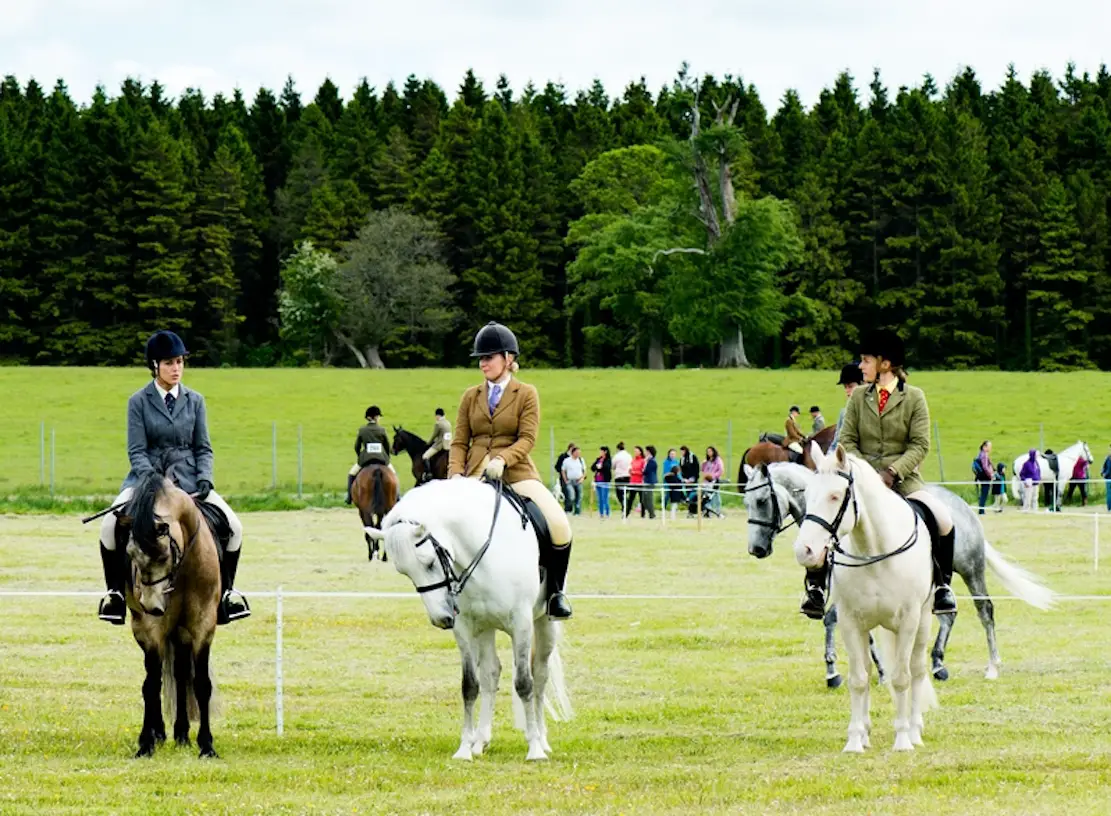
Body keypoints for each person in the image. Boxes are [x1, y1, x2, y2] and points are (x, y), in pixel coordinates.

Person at [801, 329, 957, 620]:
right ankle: (817, 588)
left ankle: (942, 587)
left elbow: (920, 445)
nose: (861, 367)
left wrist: (893, 472)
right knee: (825, 518)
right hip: (860, 483)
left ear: (885, 364)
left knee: (943, 519)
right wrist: (869, 475)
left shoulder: (914, 398)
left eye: (865, 361)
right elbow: (846, 442)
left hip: (905, 482)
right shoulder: (859, 397)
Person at [98, 330, 249, 626]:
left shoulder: (196, 401)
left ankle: (227, 593)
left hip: (190, 479)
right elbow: (137, 450)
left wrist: (205, 477)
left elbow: (203, 447)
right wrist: (151, 481)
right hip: (146, 479)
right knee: (107, 527)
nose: (176, 368)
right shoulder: (138, 402)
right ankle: (115, 594)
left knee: (235, 527)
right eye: (169, 363)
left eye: (179, 362)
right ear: (155, 366)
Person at [448, 321, 572, 620]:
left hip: (516, 472)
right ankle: (449, 591)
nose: (482, 363)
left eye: (488, 357)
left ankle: (556, 593)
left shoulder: (526, 393)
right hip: (473, 474)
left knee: (559, 525)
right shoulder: (470, 396)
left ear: (508, 358)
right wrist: (454, 474)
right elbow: (460, 440)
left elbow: (528, 438)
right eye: (480, 358)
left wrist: (503, 459)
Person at [347, 406, 393, 504]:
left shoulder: (362, 430)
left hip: (366, 458)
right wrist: (387, 457)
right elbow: (387, 446)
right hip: (381, 458)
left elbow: (357, 446)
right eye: (378, 416)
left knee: (351, 474)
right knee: (393, 474)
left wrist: (360, 456)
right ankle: (396, 496)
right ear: (375, 417)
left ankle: (349, 497)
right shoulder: (382, 430)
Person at [830, 363, 865, 451]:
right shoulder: (844, 413)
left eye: (850, 386)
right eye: (845, 387)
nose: (847, 391)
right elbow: (836, 444)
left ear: (863, 384)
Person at [561, 446, 586, 516]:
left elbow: (584, 471)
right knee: (571, 496)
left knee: (579, 496)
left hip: (579, 480)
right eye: (577, 452)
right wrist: (565, 479)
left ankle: (577, 511)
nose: (578, 454)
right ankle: (568, 509)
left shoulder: (581, 460)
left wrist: (582, 478)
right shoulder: (567, 461)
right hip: (570, 481)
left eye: (579, 453)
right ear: (573, 453)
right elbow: (563, 470)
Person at [701, 446, 724, 515]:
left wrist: (713, 476)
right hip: (706, 481)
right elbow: (703, 470)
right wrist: (703, 464)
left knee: (716, 495)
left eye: (710, 451)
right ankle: (708, 511)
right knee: (707, 496)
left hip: (714, 481)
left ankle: (718, 510)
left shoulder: (718, 460)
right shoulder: (707, 460)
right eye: (708, 452)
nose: (709, 453)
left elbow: (721, 470)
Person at [591, 446, 613, 519]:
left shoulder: (608, 460)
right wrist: (597, 467)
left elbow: (607, 468)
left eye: (601, 451)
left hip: (605, 481)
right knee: (599, 498)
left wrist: (600, 468)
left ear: (605, 452)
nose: (600, 453)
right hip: (598, 480)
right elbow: (593, 467)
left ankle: (607, 512)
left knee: (605, 498)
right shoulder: (598, 459)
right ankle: (601, 513)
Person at [974, 441, 995, 515]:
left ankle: (981, 509)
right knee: (984, 493)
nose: (990, 448)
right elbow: (985, 467)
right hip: (985, 477)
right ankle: (981, 510)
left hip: (982, 476)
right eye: (989, 446)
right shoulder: (984, 455)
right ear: (984, 447)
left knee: (984, 492)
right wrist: (990, 475)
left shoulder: (980, 454)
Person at [613, 442, 633, 517]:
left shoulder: (617, 456)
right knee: (625, 492)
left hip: (619, 476)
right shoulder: (629, 455)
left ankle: (624, 505)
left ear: (618, 448)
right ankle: (625, 506)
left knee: (619, 494)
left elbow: (613, 466)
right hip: (628, 476)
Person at [641, 445, 659, 520]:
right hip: (646, 481)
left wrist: (642, 471)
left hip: (650, 481)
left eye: (646, 451)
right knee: (644, 499)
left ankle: (652, 514)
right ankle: (650, 513)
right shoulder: (648, 460)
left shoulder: (651, 461)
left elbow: (647, 471)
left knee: (648, 498)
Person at [1103, 445, 1111, 512]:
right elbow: (1104, 467)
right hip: (1108, 478)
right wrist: (1103, 473)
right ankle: (1109, 508)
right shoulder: (1107, 458)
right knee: (1109, 494)